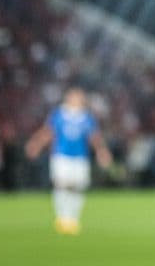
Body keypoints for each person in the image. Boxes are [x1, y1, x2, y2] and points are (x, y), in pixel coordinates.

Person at [23, 87, 113, 235]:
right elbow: (48, 132)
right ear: (68, 98)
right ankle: (62, 218)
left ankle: (73, 218)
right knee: (62, 185)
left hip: (80, 157)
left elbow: (94, 137)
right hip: (61, 156)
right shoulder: (59, 115)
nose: (78, 99)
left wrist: (102, 151)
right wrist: (36, 144)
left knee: (78, 187)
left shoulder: (86, 117)